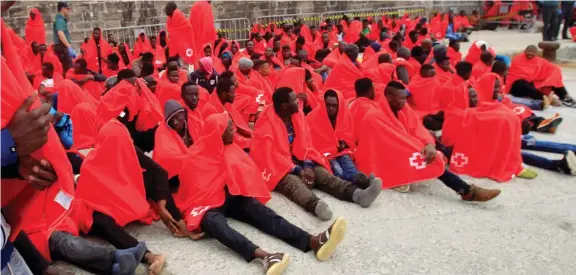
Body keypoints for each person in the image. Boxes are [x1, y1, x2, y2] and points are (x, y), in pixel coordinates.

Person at [175, 112, 348, 275]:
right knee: (216, 225)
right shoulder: (195, 157)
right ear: (219, 134)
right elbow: (191, 191)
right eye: (229, 127)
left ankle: (312, 241)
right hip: (203, 204)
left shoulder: (229, 148)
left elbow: (242, 171)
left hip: (226, 195)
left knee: (262, 213)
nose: (233, 130)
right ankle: (264, 257)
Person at [251, 87, 382, 221]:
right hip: (279, 166)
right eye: (294, 100)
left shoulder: (298, 115)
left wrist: (307, 164)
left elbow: (306, 143)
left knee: (323, 175)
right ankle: (315, 205)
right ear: (285, 106)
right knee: (293, 184)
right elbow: (270, 155)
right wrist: (297, 169)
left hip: (299, 158)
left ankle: (358, 194)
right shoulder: (265, 123)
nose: (298, 101)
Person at [358, 81, 502, 199]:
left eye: (405, 98)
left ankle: (465, 187)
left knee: (432, 150)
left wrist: (429, 143)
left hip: (399, 151)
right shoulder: (374, 117)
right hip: (383, 159)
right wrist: (420, 147)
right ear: (389, 97)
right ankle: (466, 190)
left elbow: (417, 129)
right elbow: (389, 145)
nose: (404, 101)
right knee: (430, 158)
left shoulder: (403, 109)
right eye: (401, 98)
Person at [306, 89, 362, 182]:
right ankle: (356, 184)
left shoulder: (346, 114)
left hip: (342, 152)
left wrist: (345, 143)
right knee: (338, 172)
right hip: (325, 155)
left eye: (334, 106)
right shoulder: (312, 117)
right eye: (328, 105)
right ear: (324, 103)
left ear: (339, 105)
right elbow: (308, 142)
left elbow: (350, 135)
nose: (331, 108)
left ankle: (360, 181)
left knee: (349, 165)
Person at [507, 45, 575, 107]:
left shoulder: (539, 61)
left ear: (536, 53)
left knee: (553, 80)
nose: (530, 53)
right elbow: (513, 76)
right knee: (521, 83)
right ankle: (544, 97)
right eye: (529, 51)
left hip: (532, 83)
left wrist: (551, 78)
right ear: (525, 51)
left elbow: (553, 68)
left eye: (533, 52)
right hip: (517, 86)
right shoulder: (517, 59)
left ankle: (564, 96)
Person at [202, 77, 253, 150]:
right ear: (224, 94)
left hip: (234, 137)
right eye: (232, 93)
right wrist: (248, 142)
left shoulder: (226, 103)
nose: (235, 95)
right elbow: (223, 136)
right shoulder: (210, 109)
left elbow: (239, 125)